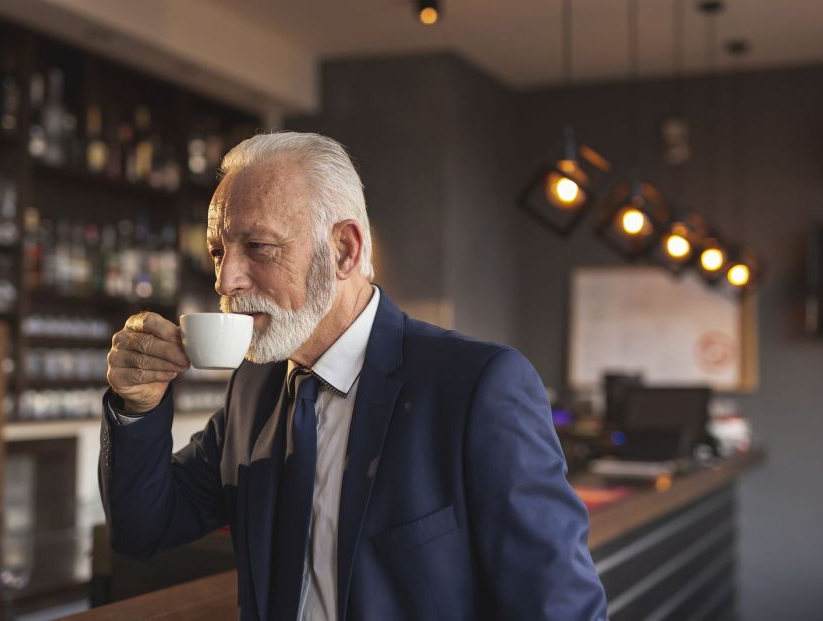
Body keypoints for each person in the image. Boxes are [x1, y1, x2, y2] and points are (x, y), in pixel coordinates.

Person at [100, 132, 607, 620]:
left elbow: (558, 608)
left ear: (344, 250)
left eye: (257, 246)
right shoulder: (254, 388)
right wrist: (137, 407)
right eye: (218, 251)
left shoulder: (478, 387)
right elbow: (145, 528)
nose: (224, 279)